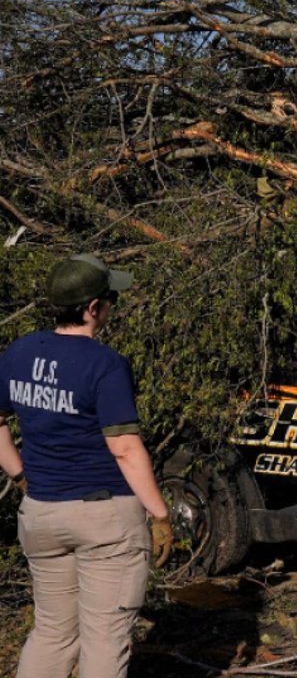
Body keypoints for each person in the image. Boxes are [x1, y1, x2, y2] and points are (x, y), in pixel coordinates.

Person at [0, 253, 175, 678]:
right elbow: (125, 449)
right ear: (93, 308)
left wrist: (20, 475)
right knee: (103, 637)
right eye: (109, 298)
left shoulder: (18, 352)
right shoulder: (104, 364)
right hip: (104, 519)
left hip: (41, 513)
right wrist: (160, 513)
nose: (112, 306)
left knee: (52, 632)